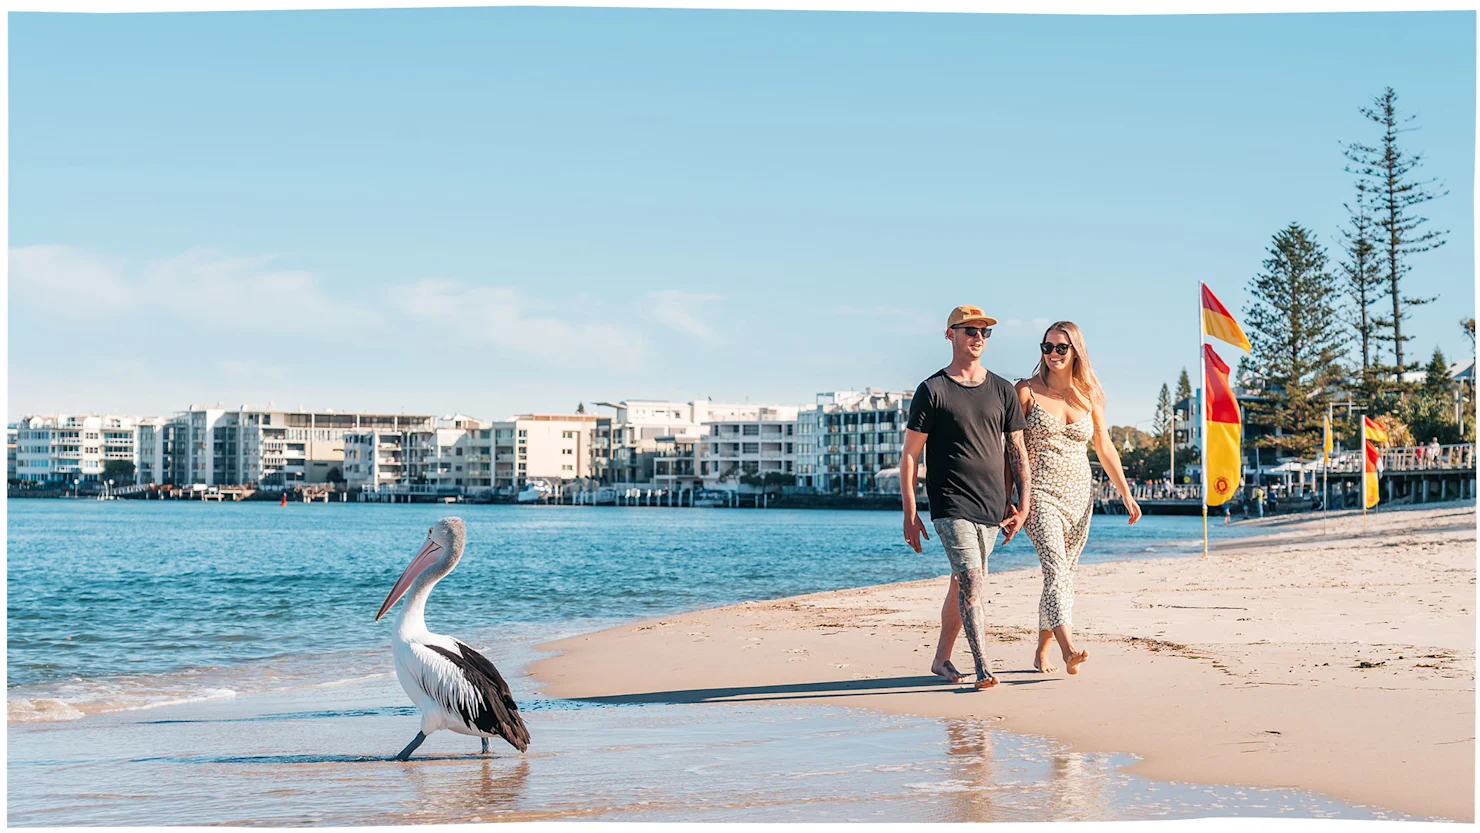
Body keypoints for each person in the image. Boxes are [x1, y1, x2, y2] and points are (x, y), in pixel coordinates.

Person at [902, 304, 1030, 691]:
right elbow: (910, 455)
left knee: (961, 583)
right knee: (973, 582)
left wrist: (1023, 504)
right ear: (950, 335)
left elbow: (1017, 451)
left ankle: (941, 659)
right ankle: (984, 667)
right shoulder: (933, 390)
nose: (977, 337)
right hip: (950, 502)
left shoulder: (1003, 390)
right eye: (969, 330)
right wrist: (910, 513)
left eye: (984, 332)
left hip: (992, 506)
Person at [1015, 321, 1140, 674]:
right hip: (1039, 494)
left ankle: (1042, 650)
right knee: (1055, 568)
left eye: (1060, 348)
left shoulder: (1088, 395)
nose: (1052, 354)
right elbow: (1012, 448)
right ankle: (1070, 650)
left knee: (1063, 574)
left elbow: (1104, 447)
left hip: (1079, 496)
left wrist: (1126, 494)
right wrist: (1010, 497)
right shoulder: (1025, 391)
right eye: (1046, 347)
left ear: (1075, 352)